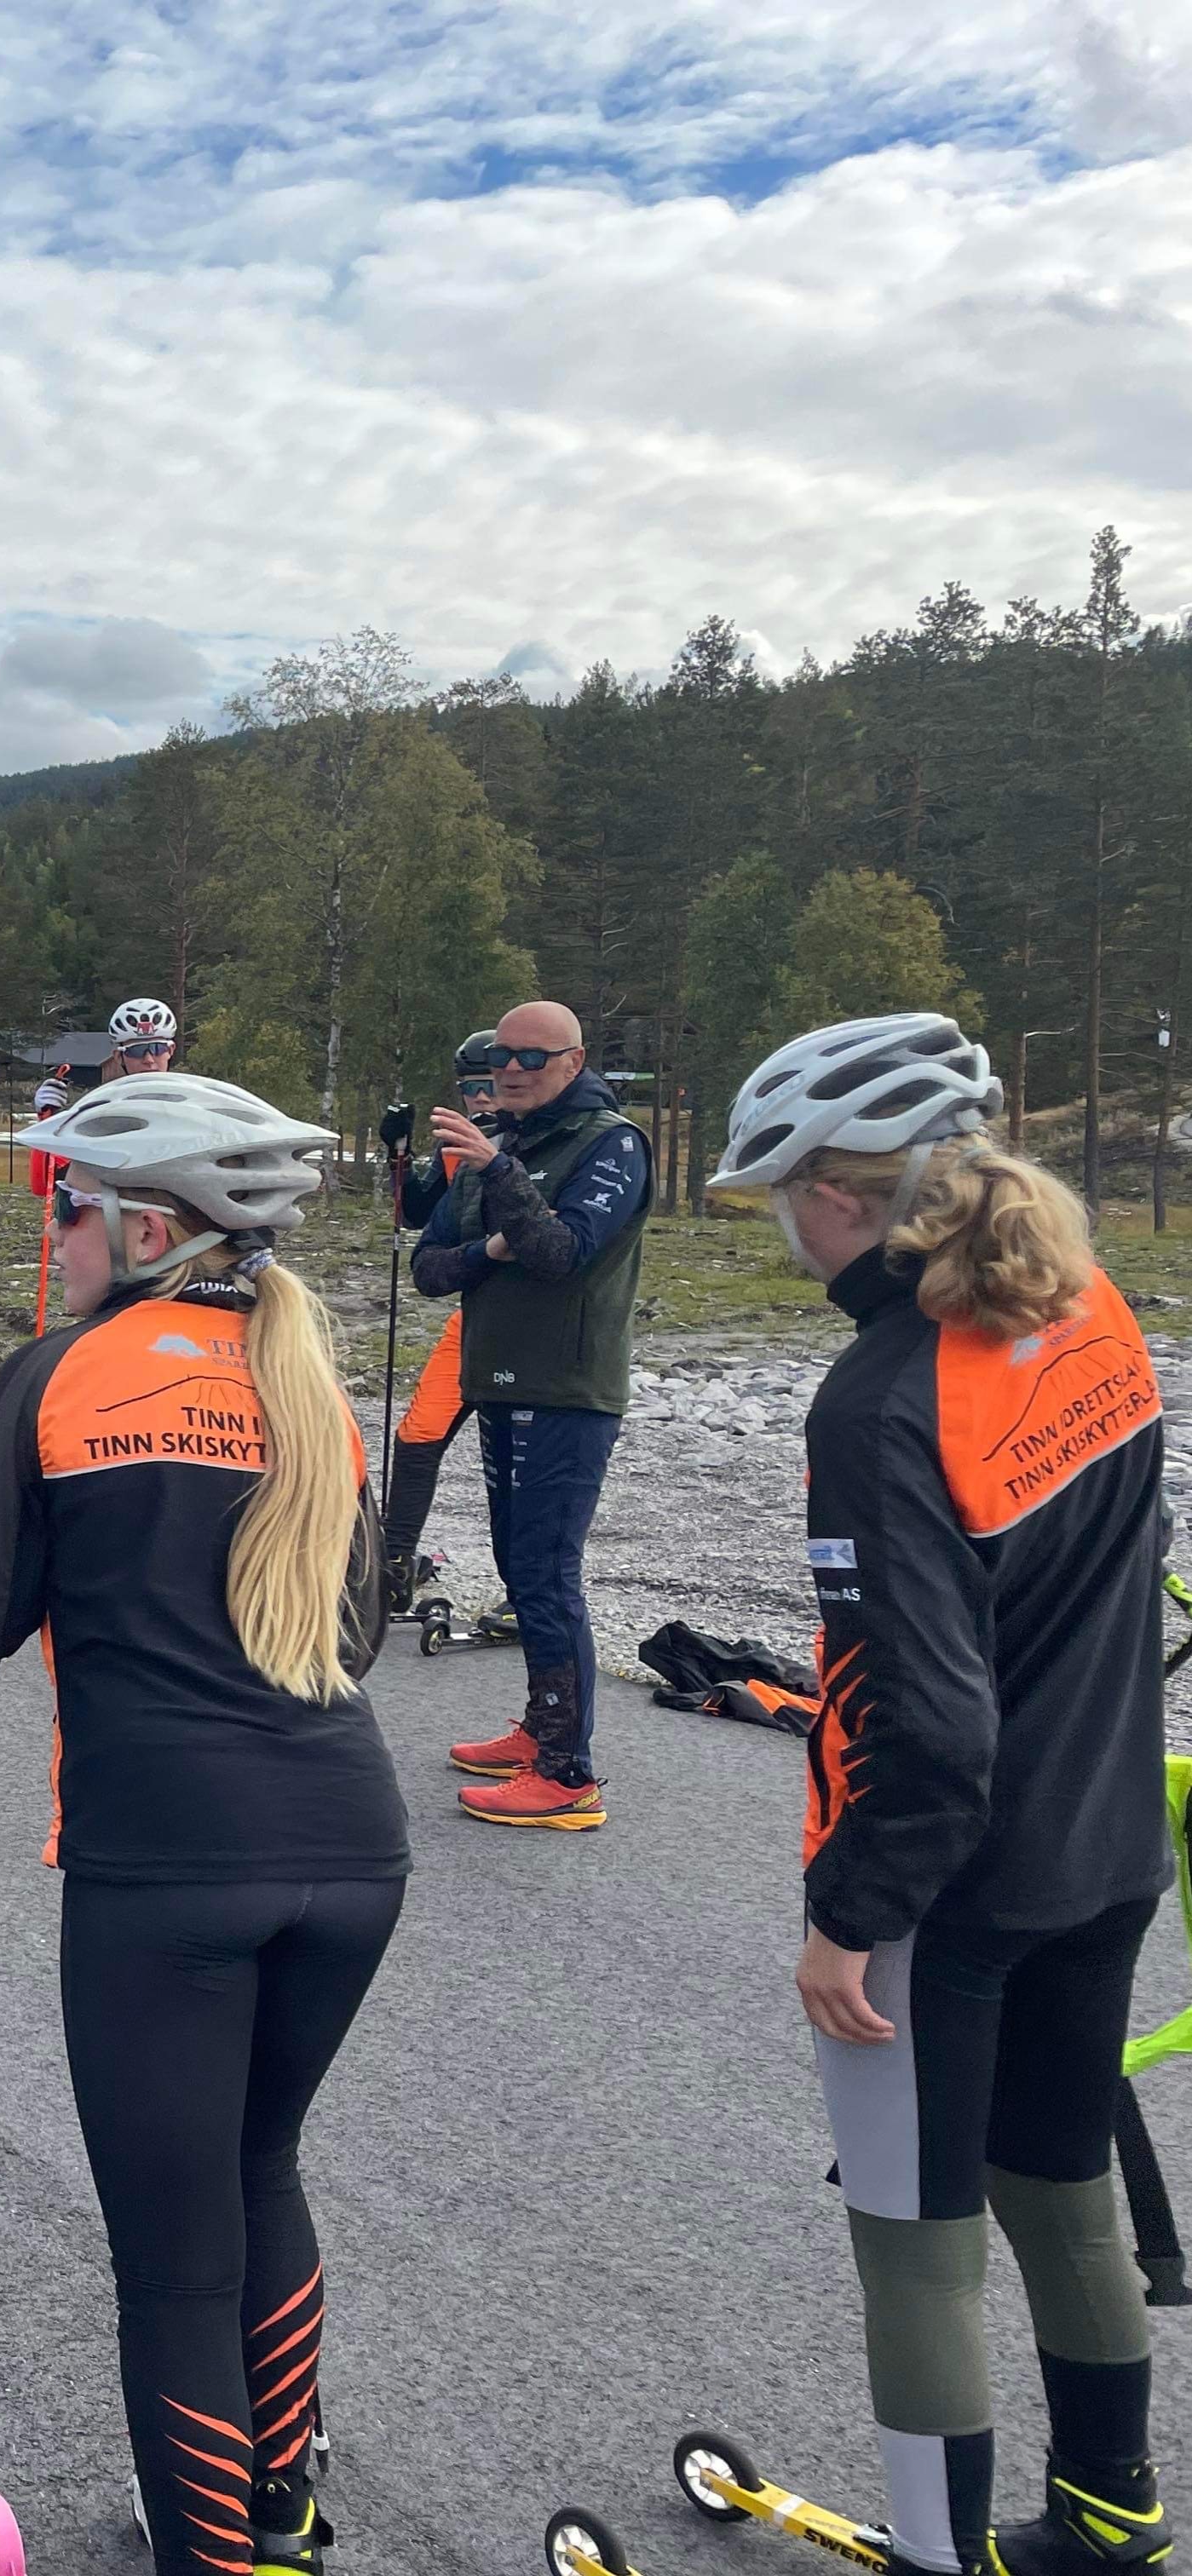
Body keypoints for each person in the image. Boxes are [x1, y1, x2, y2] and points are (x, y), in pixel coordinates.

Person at [0, 1071, 405, 2576]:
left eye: (61, 1203)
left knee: (175, 2261)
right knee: (259, 2166)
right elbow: (361, 1629)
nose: (47, 1230)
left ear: (139, 1225)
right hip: (349, 1846)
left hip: (165, 1868)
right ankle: (280, 2519)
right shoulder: (303, 1376)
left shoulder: (59, 1372)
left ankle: (222, 2556)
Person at [711, 1011, 1170, 2576]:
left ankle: (932, 2553)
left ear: (840, 1197)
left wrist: (848, 1915)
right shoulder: (1086, 1302)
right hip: (1105, 1846)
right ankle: (1112, 2517)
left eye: (778, 1192)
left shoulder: (880, 1398)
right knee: (1064, 2188)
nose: (780, 1227)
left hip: (950, 1887)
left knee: (914, 2249)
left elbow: (930, 1723)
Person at [412, 999, 650, 1830]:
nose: (510, 1070)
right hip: (498, 1382)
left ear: (574, 1063)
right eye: (501, 1056)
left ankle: (567, 1776)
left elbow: (560, 1252)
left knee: (547, 1573)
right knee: (519, 1567)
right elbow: (429, 1269)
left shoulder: (612, 1143)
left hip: (568, 1390)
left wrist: (500, 1183)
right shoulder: (501, 1145)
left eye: (532, 1057)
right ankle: (540, 1727)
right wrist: (489, 1247)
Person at [370, 1029, 501, 1609]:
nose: (482, 1098)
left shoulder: (540, 1143)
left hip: (532, 1333)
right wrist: (398, 1152)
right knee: (418, 1435)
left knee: (515, 1466)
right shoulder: (458, 1145)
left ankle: (531, 1592)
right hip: (470, 1320)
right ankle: (394, 1570)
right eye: (471, 1087)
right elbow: (417, 1212)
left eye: (490, 1085)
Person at [26, 997, 179, 1333]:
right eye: (138, 1051)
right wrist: (48, 1121)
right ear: (120, 1056)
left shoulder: (191, 1105)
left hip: (178, 1241)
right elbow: (48, 1183)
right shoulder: (100, 1111)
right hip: (118, 1240)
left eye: (157, 1047)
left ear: (172, 1049)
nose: (150, 1059)